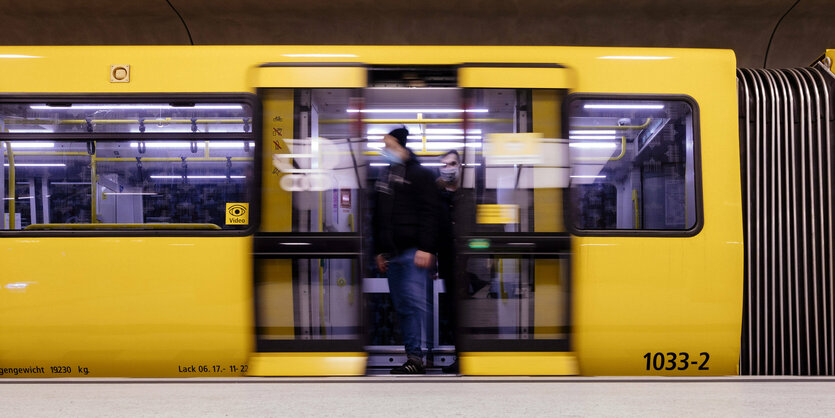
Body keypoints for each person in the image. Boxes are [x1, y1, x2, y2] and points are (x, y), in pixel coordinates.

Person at [373, 127, 440, 374]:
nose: (385, 150)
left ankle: (420, 357)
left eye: (388, 145)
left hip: (414, 252)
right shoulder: (384, 177)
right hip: (392, 254)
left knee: (415, 305)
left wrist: (426, 247)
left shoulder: (420, 175)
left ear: (401, 146)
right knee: (403, 307)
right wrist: (379, 251)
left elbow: (430, 214)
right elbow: (378, 216)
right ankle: (415, 355)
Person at [435, 149, 467, 373]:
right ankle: (460, 355)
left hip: (469, 261)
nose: (448, 168)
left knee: (470, 310)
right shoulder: (435, 196)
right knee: (453, 312)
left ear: (460, 166)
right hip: (446, 260)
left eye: (452, 164)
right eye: (444, 165)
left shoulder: (469, 194)